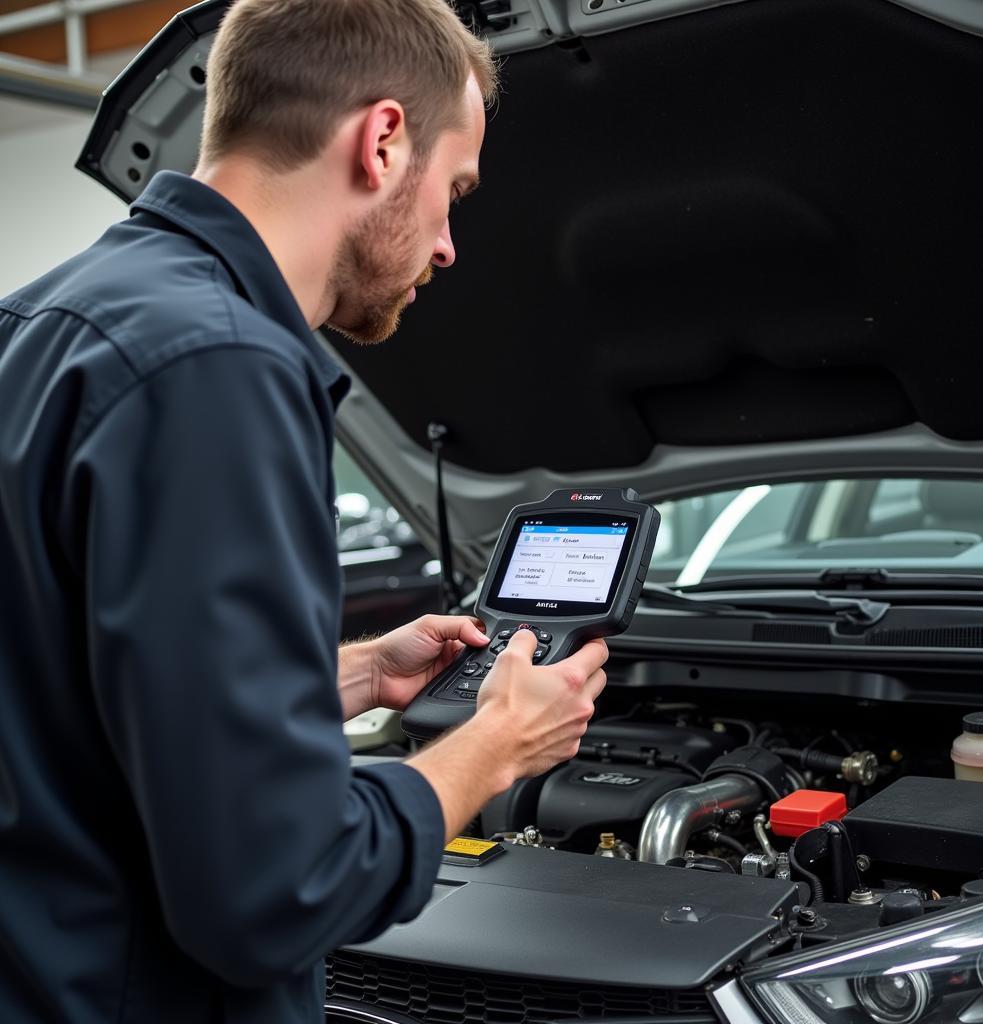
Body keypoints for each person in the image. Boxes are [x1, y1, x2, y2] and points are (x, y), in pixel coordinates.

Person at [0, 1, 609, 1021]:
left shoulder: (41, 324)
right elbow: (275, 889)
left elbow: (58, 695)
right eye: (451, 191)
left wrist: (352, 675)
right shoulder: (218, 366)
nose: (449, 244)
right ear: (380, 141)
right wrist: (492, 745)